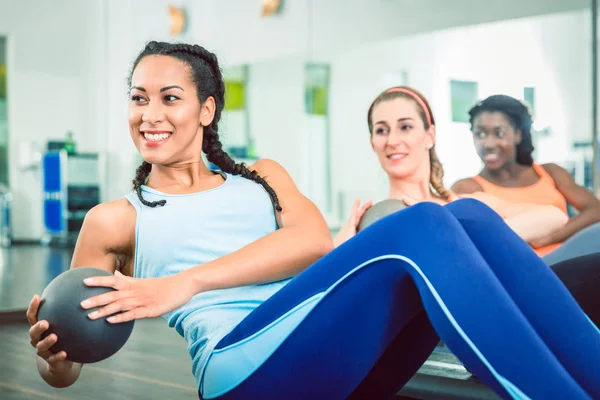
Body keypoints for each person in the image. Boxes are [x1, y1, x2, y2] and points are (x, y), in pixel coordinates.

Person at [27, 44, 600, 400]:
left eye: (169, 97)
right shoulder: (114, 220)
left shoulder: (260, 175)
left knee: (469, 214)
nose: (149, 114)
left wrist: (186, 280)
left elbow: (310, 243)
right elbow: (70, 365)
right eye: (138, 98)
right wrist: (55, 360)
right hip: (243, 371)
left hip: (330, 352)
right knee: (423, 225)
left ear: (205, 110)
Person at [451, 94, 600, 257]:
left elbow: (596, 209)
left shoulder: (550, 173)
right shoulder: (468, 188)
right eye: (480, 134)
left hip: (571, 260)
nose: (488, 144)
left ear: (518, 134)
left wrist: (549, 238)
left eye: (499, 133)